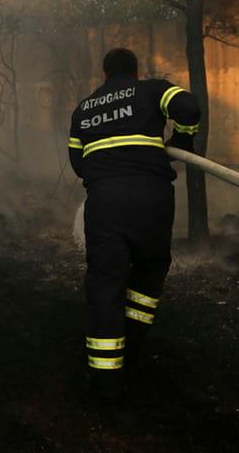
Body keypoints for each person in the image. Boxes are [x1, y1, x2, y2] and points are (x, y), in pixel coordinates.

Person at [67, 48, 201, 400]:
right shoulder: (153, 90)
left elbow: (78, 161)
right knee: (149, 271)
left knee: (105, 282)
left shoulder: (84, 108)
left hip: (106, 200)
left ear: (105, 73)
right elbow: (188, 108)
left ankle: (105, 380)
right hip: (152, 197)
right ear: (135, 71)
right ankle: (133, 346)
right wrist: (183, 139)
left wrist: (105, 169)